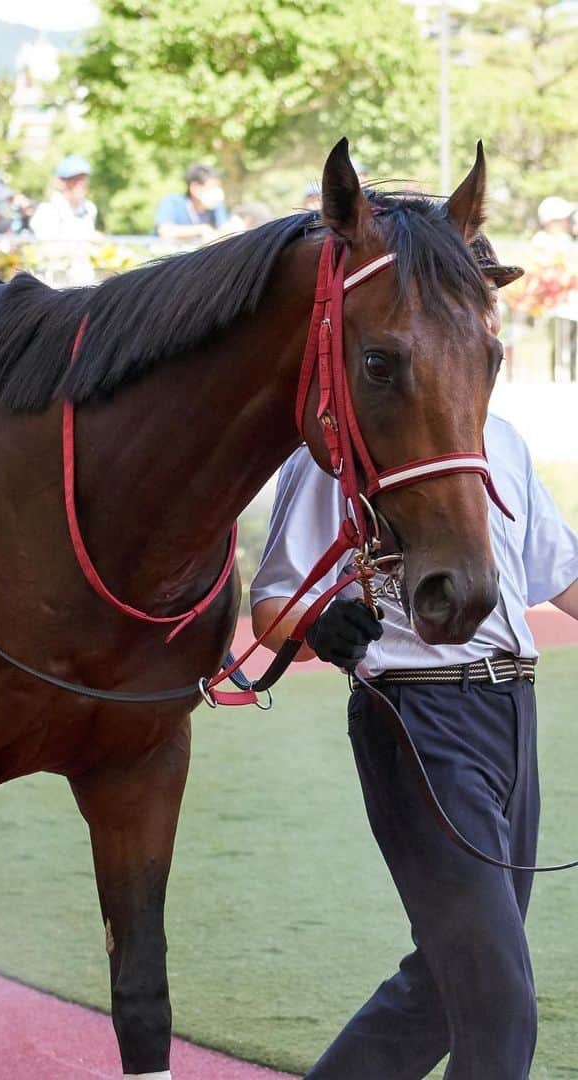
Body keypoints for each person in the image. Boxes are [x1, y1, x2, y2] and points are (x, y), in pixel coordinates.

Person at [249, 251, 578, 1078]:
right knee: (499, 1008)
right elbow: (274, 603)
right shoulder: (348, 447)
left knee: (443, 985)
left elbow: (563, 578)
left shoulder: (499, 442)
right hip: (416, 718)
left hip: (513, 714)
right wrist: (321, 625)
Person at [29, 154, 98, 242]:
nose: (81, 184)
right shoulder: (47, 210)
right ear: (60, 182)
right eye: (75, 179)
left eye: (83, 179)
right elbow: (46, 247)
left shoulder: (90, 208)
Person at [153, 163, 228, 240]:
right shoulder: (172, 202)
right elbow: (165, 232)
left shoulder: (215, 206)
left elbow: (225, 230)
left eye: (218, 187)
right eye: (213, 187)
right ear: (195, 188)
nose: (217, 191)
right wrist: (201, 229)